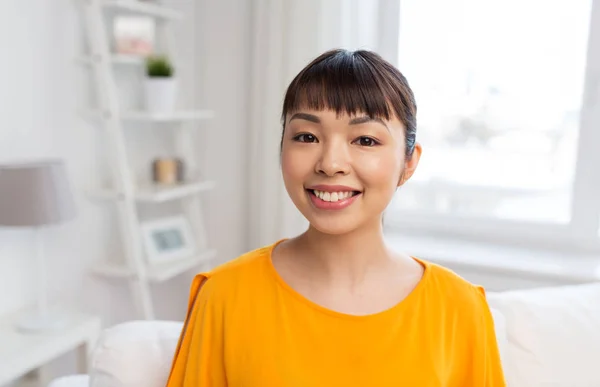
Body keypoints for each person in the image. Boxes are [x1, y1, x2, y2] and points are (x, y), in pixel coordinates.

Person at [166, 49, 506, 386]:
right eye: (306, 137)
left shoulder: (460, 309)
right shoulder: (224, 297)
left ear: (409, 162)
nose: (330, 163)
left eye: (366, 140)